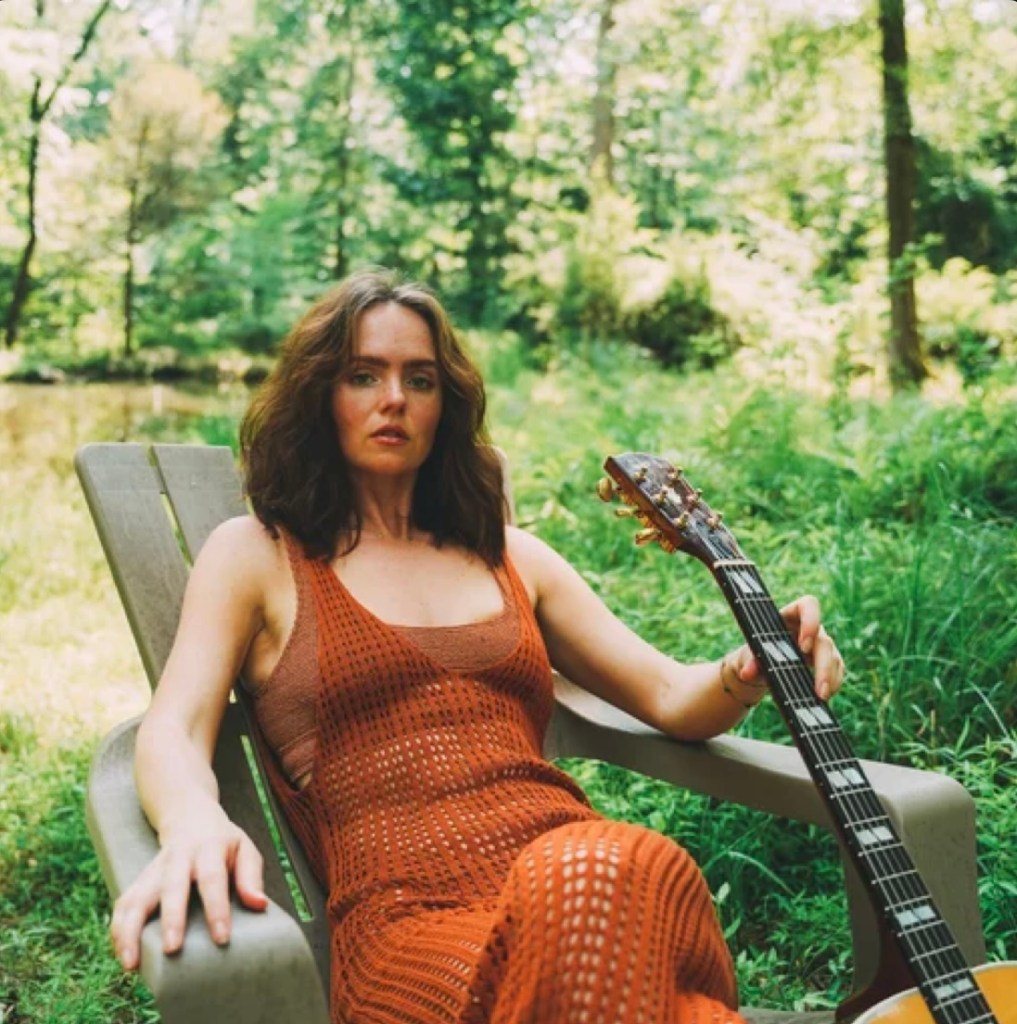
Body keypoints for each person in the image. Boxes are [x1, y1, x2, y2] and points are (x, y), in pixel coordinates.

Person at [110, 267, 844, 1023]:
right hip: (414, 937)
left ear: (445, 405)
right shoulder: (259, 555)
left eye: (419, 379)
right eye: (363, 375)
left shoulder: (513, 557)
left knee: (625, 864)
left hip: (599, 886)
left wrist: (749, 667)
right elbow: (175, 727)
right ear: (319, 394)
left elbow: (667, 696)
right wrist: (192, 819)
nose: (394, 398)